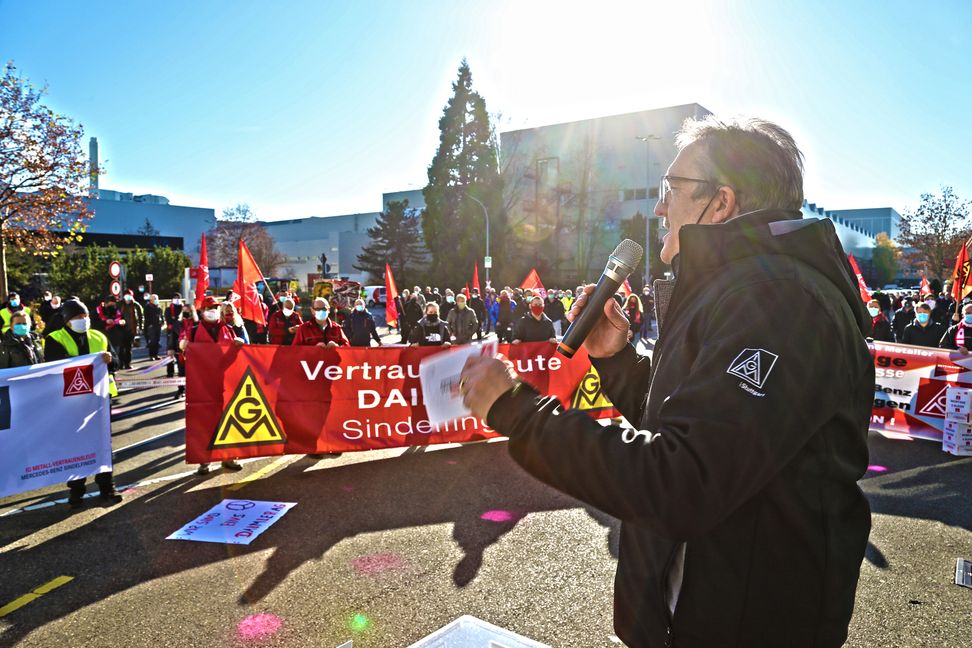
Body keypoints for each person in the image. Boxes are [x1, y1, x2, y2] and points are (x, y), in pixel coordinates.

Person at [459, 116, 873, 647]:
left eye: (671, 190)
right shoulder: (736, 287)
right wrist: (616, 360)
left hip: (750, 622)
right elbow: (695, 424)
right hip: (700, 608)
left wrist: (516, 410)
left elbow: (685, 478)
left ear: (719, 203)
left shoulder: (779, 299)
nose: (659, 206)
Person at [44, 298, 122, 508]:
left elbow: (116, 362)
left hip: (100, 399)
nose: (83, 320)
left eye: (85, 316)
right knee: (75, 446)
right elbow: (54, 367)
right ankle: (77, 490)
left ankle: (107, 487)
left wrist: (109, 360)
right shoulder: (54, 339)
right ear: (67, 320)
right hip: (71, 402)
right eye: (78, 317)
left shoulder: (99, 336)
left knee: (103, 444)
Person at [181, 296, 245, 474]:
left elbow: (235, 357)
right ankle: (204, 460)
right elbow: (186, 356)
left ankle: (229, 457)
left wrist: (239, 345)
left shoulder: (227, 329)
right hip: (202, 386)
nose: (212, 311)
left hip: (225, 383)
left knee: (229, 421)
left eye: (215, 308)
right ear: (202, 311)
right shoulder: (193, 330)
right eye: (209, 308)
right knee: (204, 423)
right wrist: (184, 347)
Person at [117, 289, 144, 369]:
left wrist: (140, 327)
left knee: (128, 348)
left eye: (129, 295)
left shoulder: (136, 305)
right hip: (120, 329)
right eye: (126, 295)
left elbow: (141, 317)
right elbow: (115, 315)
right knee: (121, 348)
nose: (127, 297)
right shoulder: (119, 304)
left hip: (131, 329)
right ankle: (120, 364)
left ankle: (127, 364)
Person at [143, 294, 163, 360]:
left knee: (157, 340)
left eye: (156, 298)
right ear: (151, 300)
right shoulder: (147, 307)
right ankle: (151, 355)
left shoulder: (159, 307)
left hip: (158, 325)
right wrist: (149, 325)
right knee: (152, 341)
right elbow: (146, 317)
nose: (156, 300)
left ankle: (156, 354)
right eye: (154, 298)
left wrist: (162, 322)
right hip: (151, 326)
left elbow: (161, 315)